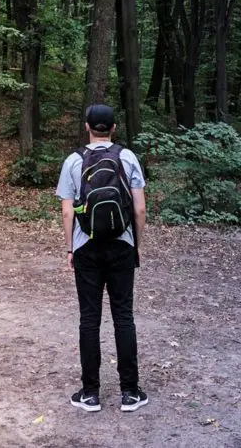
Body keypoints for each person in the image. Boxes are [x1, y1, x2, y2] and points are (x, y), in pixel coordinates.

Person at [56, 104, 148, 413]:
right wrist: (136, 244)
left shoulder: (73, 161)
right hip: (122, 245)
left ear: (87, 127)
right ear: (113, 127)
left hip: (86, 247)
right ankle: (130, 393)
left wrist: (71, 248)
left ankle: (90, 393)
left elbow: (68, 210)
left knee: (89, 318)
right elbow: (139, 209)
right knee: (124, 316)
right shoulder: (128, 157)